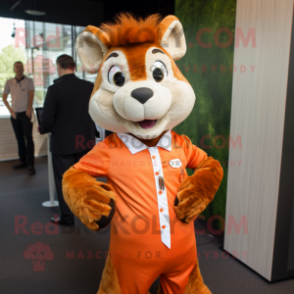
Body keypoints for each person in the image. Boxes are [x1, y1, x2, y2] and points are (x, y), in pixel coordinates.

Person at [39, 54, 95, 226]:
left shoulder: (55, 89)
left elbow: (46, 119)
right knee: (84, 181)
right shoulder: (89, 86)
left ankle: (68, 217)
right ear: (74, 67)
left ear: (58, 67)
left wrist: (44, 129)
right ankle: (87, 215)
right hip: (85, 142)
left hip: (63, 144)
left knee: (65, 181)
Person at [3, 61, 35, 175]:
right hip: (15, 114)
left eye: (21, 67)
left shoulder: (29, 81)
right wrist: (10, 110)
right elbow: (4, 97)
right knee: (19, 139)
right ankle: (23, 161)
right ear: (14, 69)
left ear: (23, 69)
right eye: (17, 66)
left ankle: (31, 164)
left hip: (25, 114)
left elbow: (31, 94)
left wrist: (29, 109)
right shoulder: (9, 82)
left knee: (29, 139)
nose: (19, 68)